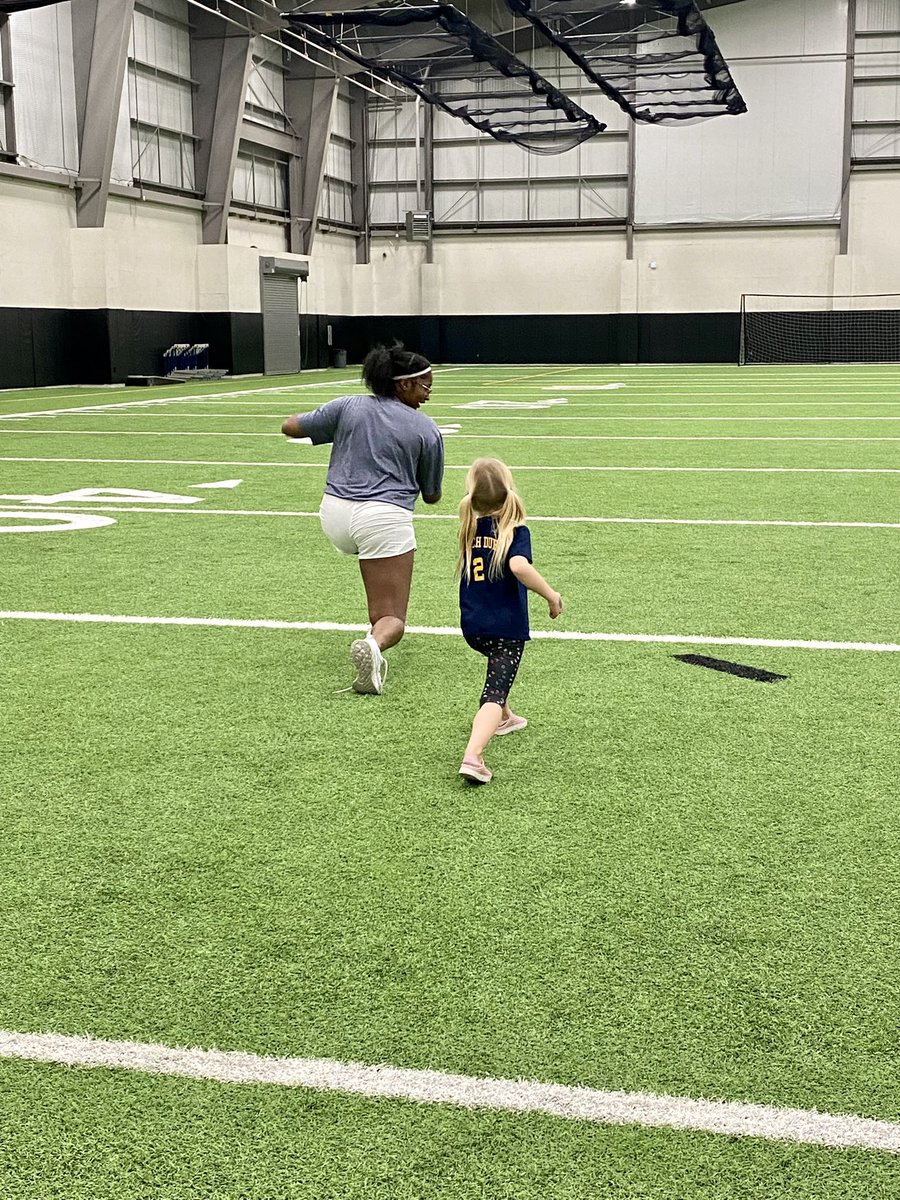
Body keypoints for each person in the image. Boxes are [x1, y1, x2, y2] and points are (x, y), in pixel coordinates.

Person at [281, 343, 443, 694]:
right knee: (392, 619)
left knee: (378, 597)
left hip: (334, 514)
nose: (429, 394)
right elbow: (432, 496)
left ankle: (371, 658)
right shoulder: (425, 429)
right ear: (403, 385)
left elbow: (290, 426)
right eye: (426, 386)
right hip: (383, 518)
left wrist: (336, 428)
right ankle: (373, 645)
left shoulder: (348, 406)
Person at [456, 457, 563, 783]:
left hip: (474, 625)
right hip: (505, 628)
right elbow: (518, 566)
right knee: (494, 691)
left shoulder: (469, 527)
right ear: (509, 491)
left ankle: (504, 717)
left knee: (496, 674)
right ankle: (473, 756)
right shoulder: (516, 531)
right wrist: (550, 594)